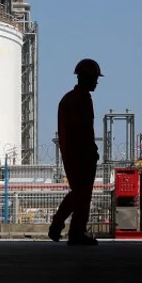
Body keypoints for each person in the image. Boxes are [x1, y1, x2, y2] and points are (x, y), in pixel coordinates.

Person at [49, 58, 103, 246]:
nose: (96, 82)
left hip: (71, 153)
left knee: (79, 193)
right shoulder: (81, 100)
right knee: (82, 194)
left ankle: (68, 229)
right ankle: (72, 231)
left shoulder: (68, 99)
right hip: (82, 154)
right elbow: (85, 129)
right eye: (95, 78)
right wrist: (91, 151)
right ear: (86, 78)